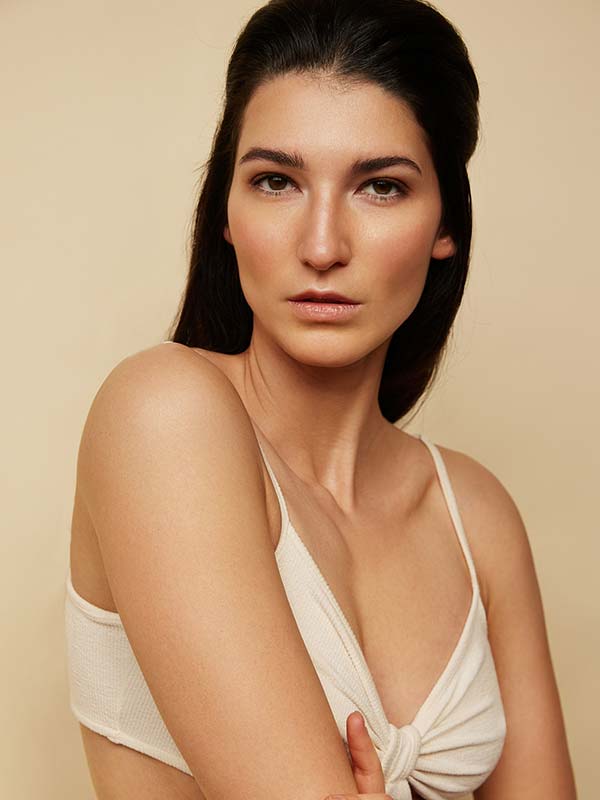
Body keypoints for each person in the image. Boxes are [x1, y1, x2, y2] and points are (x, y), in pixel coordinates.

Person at [64, 0, 577, 798]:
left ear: (446, 222)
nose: (322, 246)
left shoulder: (476, 516)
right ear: (225, 212)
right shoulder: (161, 417)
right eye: (276, 182)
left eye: (381, 187)